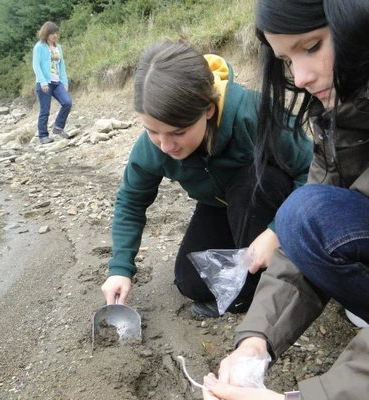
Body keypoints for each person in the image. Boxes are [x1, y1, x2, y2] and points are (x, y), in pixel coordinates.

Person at [204, 0, 369, 399]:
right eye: (287, 60)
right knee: (302, 216)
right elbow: (302, 236)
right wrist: (255, 342)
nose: (301, 77)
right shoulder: (342, 115)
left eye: (312, 47)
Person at [101, 40, 313, 318]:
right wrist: (120, 269)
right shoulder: (153, 149)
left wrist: (276, 231)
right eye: (153, 131)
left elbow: (314, 170)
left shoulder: (254, 114)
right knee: (192, 283)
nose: (165, 145)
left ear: (208, 110)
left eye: (177, 132)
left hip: (272, 202)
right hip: (219, 205)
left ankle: (278, 283)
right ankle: (251, 281)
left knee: (250, 188)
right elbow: (130, 201)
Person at [32, 21, 72, 144]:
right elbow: (36, 65)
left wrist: (64, 82)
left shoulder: (58, 47)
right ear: (46, 34)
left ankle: (58, 127)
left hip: (57, 82)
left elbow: (62, 65)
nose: (55, 35)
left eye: (56, 33)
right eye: (52, 33)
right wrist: (43, 82)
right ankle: (43, 136)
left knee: (67, 103)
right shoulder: (39, 47)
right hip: (45, 83)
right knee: (45, 110)